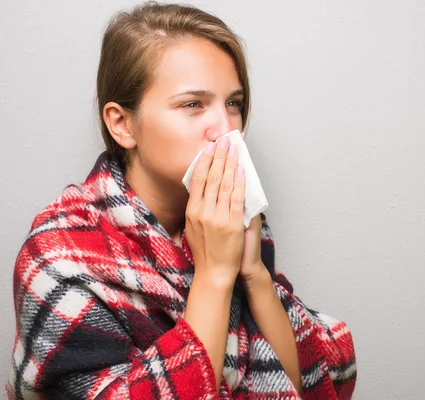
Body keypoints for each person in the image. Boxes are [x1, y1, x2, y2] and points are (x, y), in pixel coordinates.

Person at [7, 2, 356, 399]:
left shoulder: (230, 218)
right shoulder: (57, 259)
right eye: (193, 104)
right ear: (122, 124)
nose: (227, 129)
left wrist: (255, 274)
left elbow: (305, 387)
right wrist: (213, 277)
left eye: (234, 103)